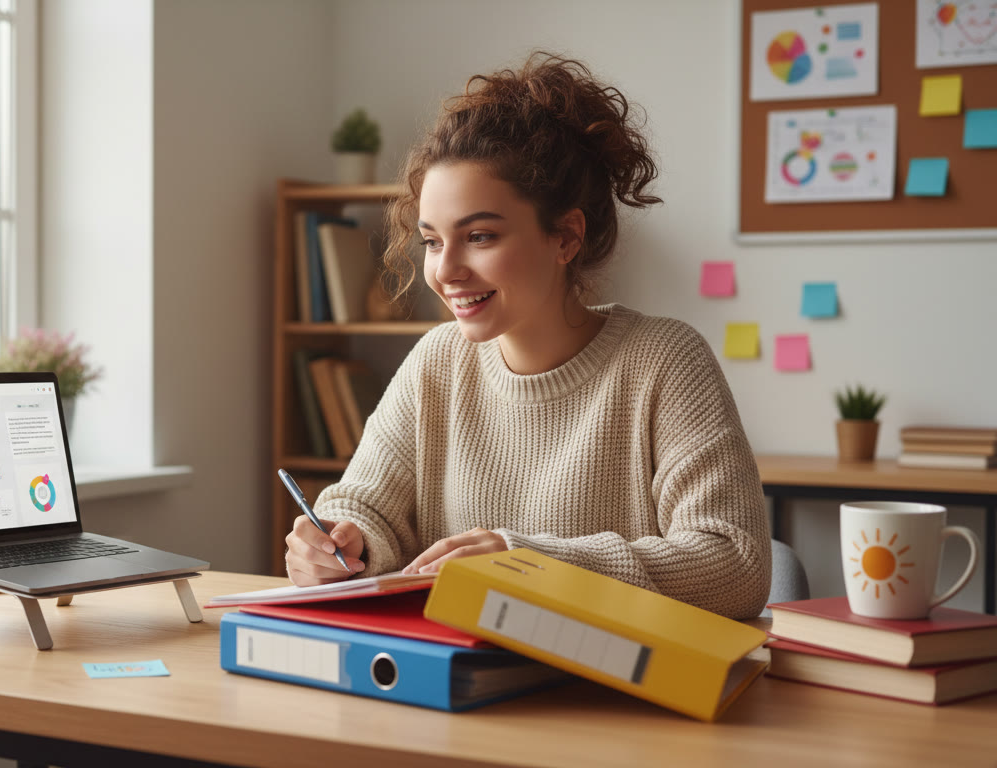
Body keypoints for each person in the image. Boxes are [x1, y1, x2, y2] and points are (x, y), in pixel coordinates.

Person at [283, 52, 771, 620]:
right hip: (457, 689)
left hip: (615, 698)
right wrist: (341, 545)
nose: (444, 271)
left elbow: (735, 565)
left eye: (480, 236)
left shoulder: (665, 360)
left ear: (566, 237)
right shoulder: (436, 362)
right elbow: (366, 506)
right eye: (433, 241)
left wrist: (527, 562)